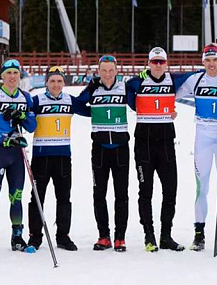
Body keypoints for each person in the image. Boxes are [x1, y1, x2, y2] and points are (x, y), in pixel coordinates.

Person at [174, 44, 217, 252]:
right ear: (202, 62)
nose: (211, 64)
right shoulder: (195, 80)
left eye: (214, 60)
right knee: (201, 188)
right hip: (203, 137)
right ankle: (199, 234)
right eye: (207, 60)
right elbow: (170, 92)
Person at [125, 47, 193, 252]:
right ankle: (149, 236)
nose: (158, 65)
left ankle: (166, 235)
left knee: (170, 189)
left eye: (161, 62)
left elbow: (196, 75)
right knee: (146, 191)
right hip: (144, 143)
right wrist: (137, 77)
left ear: (166, 63)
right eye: (154, 62)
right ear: (148, 63)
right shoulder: (138, 82)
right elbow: (127, 91)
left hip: (165, 143)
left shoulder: (172, 79)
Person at [27, 66, 90, 251]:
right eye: (52, 81)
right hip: (41, 156)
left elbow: (88, 110)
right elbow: (25, 117)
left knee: (64, 197)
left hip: (63, 156)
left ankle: (63, 236)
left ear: (64, 83)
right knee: (37, 198)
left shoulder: (70, 100)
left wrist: (92, 87)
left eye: (59, 81)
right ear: (46, 82)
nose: (56, 85)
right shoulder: (37, 100)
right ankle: (35, 236)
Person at [0, 59, 37, 254]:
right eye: (8, 73)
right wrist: (4, 139)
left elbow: (32, 126)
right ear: (2, 76)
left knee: (16, 197)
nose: (12, 77)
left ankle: (17, 237)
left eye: (15, 74)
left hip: (17, 153)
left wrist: (22, 117)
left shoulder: (25, 97)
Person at [75, 55, 131, 252]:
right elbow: (77, 104)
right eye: (103, 70)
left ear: (117, 70)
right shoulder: (93, 88)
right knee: (99, 193)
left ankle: (120, 237)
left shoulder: (124, 87)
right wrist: (92, 111)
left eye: (111, 70)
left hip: (120, 148)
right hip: (99, 149)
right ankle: (103, 235)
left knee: (121, 194)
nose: (107, 74)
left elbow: (137, 103)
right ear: (98, 71)